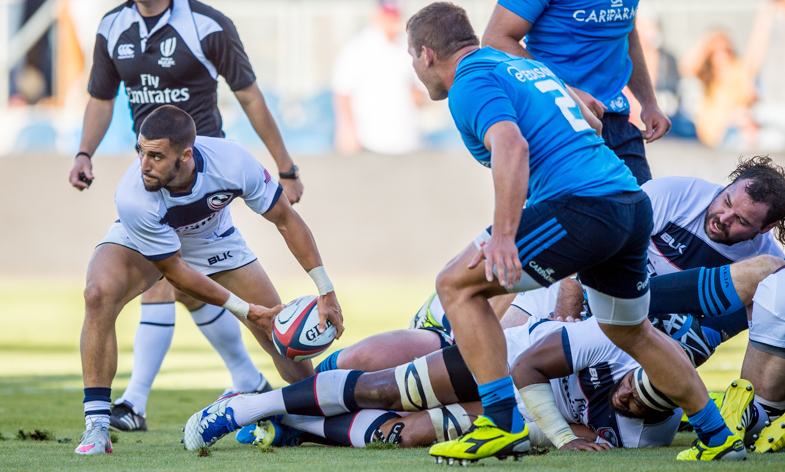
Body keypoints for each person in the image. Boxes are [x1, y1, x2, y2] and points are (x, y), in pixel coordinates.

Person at [403, 3, 746, 463]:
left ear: (426, 55)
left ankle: (499, 424)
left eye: (411, 59)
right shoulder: (519, 65)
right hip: (629, 200)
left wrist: (503, 235)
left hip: (584, 208)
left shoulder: (469, 79)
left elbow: (511, 145)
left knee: (455, 285)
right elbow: (592, 120)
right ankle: (718, 437)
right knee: (631, 331)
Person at [67, 0, 306, 432]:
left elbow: (249, 96)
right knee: (182, 288)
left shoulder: (209, 25)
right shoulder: (112, 26)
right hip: (155, 183)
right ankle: (243, 383)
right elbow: (101, 99)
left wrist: (284, 166)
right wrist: (85, 151)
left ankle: (138, 402)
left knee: (174, 283)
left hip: (202, 179)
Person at [74, 106, 344, 455]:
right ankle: (97, 426)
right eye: (140, 151)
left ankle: (323, 414)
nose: (144, 165)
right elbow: (176, 273)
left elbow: (286, 220)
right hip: (149, 240)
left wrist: (326, 290)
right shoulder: (133, 196)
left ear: (186, 155)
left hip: (216, 241)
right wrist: (249, 311)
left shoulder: (231, 161)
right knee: (98, 293)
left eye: (156, 155)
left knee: (281, 339)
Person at [182, 315, 687, 452]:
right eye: (629, 388)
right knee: (381, 388)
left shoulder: (651, 436)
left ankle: (291, 422)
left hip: (524, 415)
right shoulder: (619, 341)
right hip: (499, 361)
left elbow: (580, 442)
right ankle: (245, 408)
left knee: (404, 434)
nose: (623, 399)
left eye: (635, 407)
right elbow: (528, 367)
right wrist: (562, 434)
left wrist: (548, 435)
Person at [481, 0, 671, 185]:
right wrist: (567, 92)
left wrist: (648, 102)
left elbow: (626, 31)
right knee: (575, 215)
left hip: (617, 122)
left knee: (641, 212)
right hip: (558, 122)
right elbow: (495, 40)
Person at [332, 0, 424, 155]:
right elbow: (342, 91)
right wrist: (347, 130)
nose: (391, 20)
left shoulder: (408, 47)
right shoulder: (358, 47)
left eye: (395, 16)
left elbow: (419, 91)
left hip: (405, 139)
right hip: (370, 139)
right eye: (387, 15)